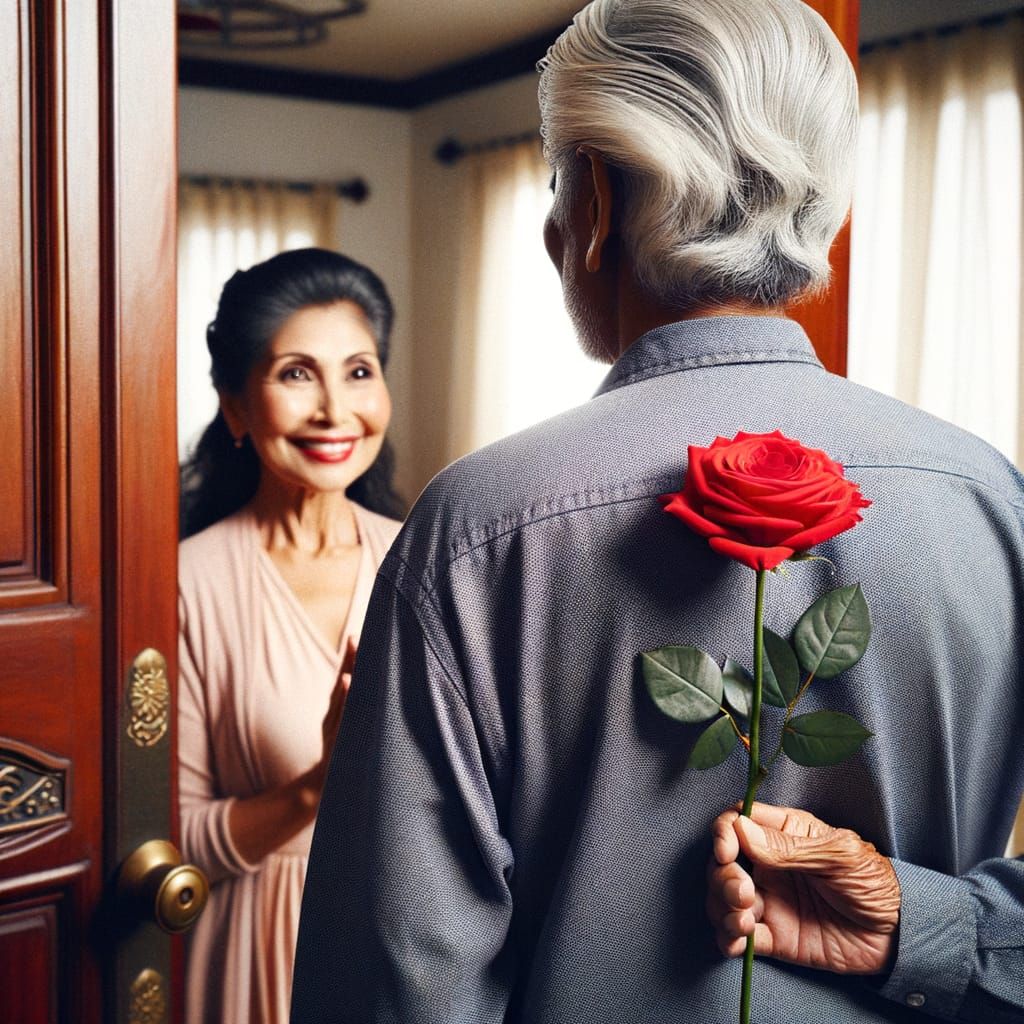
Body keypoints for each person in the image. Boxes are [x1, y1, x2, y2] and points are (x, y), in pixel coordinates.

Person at [292, 1, 1024, 1021]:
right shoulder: (990, 502)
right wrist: (930, 926)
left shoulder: (474, 531)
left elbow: (398, 979)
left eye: (555, 180)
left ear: (592, 200)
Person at [178, 248, 404, 1024]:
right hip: (251, 952)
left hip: (398, 949)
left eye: (359, 371)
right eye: (296, 374)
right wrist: (316, 783)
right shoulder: (186, 583)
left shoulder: (421, 562)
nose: (334, 410)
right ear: (236, 407)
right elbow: (168, 840)